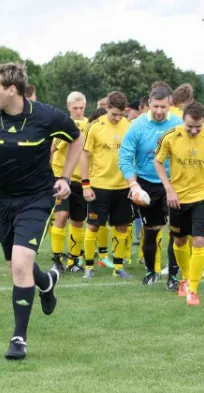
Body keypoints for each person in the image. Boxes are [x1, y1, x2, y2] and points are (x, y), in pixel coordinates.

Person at [0, 62, 82, 360]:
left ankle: (19, 338)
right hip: (1, 200)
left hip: (37, 197)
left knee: (21, 262)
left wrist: (64, 178)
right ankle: (47, 282)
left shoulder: (46, 115)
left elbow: (76, 138)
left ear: (11, 90)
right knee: (16, 264)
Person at [154, 102, 204, 305]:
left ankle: (193, 289)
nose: (194, 131)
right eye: (190, 127)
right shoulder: (170, 137)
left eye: (198, 126)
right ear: (183, 121)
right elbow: (157, 161)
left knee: (199, 240)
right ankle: (186, 279)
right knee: (179, 241)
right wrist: (169, 189)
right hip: (178, 197)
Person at [119, 86, 183, 290]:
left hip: (172, 184)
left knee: (177, 232)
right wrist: (133, 184)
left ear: (170, 105)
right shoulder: (137, 126)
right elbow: (125, 157)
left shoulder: (178, 124)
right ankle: (150, 272)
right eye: (155, 106)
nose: (159, 111)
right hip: (146, 185)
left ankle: (173, 277)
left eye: (164, 107)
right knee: (151, 230)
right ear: (149, 104)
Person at [81, 91, 133, 280]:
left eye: (121, 114)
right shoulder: (95, 127)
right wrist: (86, 185)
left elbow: (134, 156)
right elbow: (84, 155)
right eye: (114, 114)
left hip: (123, 186)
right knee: (93, 226)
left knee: (121, 227)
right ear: (107, 108)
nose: (117, 118)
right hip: (99, 186)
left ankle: (118, 266)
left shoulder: (129, 126)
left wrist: (133, 185)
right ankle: (88, 267)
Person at [50, 91, 88, 273]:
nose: (79, 111)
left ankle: (74, 260)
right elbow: (51, 149)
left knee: (78, 220)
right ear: (68, 108)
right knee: (62, 215)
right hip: (61, 177)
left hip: (81, 180)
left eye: (81, 108)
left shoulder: (89, 126)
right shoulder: (65, 127)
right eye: (75, 108)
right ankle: (57, 259)